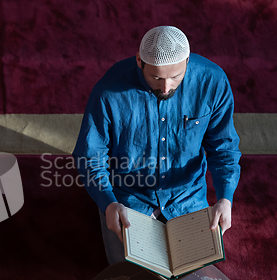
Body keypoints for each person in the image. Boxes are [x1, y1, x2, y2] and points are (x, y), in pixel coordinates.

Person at [72, 26, 241, 265]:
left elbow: (224, 147)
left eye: (176, 77)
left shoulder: (212, 82)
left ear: (187, 61)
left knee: (199, 270)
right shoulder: (108, 90)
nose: (166, 88)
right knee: (130, 273)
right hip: (130, 196)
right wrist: (108, 203)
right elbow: (90, 156)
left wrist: (225, 198)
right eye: (157, 78)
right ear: (139, 61)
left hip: (186, 196)